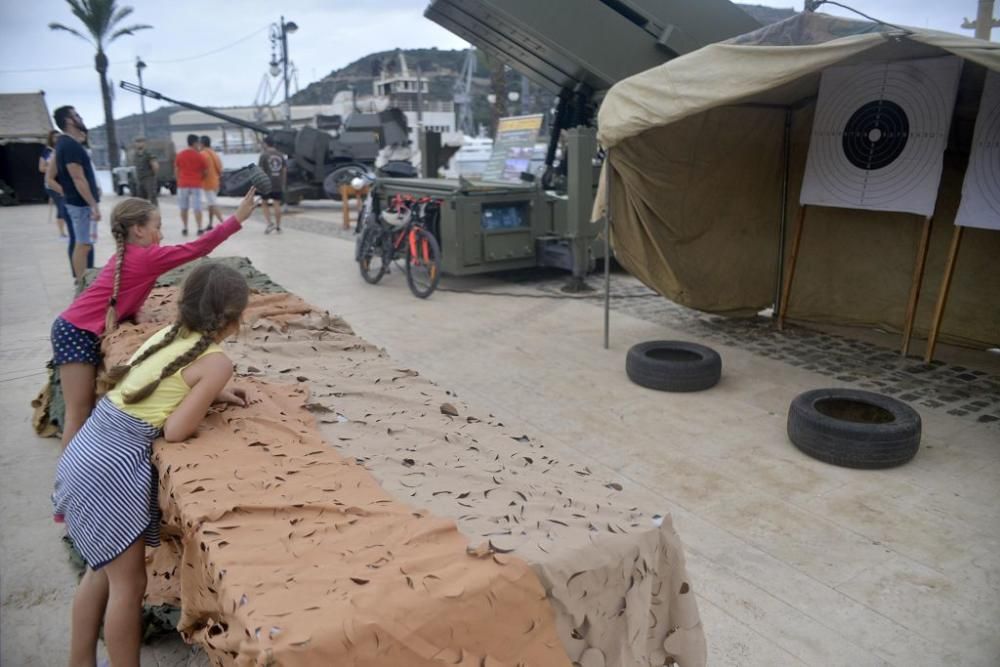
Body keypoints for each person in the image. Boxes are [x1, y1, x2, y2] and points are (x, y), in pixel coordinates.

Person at [53, 260, 250, 667]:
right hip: (112, 468)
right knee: (129, 586)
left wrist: (213, 393)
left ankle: (80, 661)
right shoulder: (217, 362)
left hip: (87, 450)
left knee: (100, 570)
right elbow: (176, 430)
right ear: (233, 319)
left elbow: (165, 386)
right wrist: (211, 388)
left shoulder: (167, 334)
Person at [50, 187, 258, 449]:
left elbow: (123, 294)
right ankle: (68, 471)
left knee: (84, 409)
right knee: (78, 412)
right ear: (138, 230)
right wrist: (236, 219)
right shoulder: (147, 257)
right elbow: (197, 248)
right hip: (75, 331)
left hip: (79, 328)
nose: (161, 234)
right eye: (156, 227)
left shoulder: (130, 255)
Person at [51, 106, 101, 280]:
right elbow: (78, 178)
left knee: (83, 244)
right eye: (76, 115)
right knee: (83, 245)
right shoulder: (70, 145)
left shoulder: (65, 143)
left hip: (76, 202)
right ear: (69, 120)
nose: (80, 118)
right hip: (80, 204)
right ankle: (81, 284)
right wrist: (93, 205)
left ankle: (82, 280)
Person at [175, 134, 207, 236]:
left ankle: (185, 227)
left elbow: (176, 169)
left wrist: (179, 179)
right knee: (197, 207)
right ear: (194, 143)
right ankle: (199, 228)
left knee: (183, 207)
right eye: (198, 143)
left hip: (183, 183)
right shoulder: (199, 155)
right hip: (196, 184)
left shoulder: (180, 155)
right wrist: (200, 178)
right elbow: (205, 171)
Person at [40, 130, 67, 238]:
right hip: (52, 183)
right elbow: (41, 168)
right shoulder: (46, 152)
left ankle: (67, 230)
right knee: (61, 206)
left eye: (59, 136)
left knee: (66, 205)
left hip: (65, 183)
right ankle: (62, 232)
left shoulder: (63, 150)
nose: (57, 138)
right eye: (55, 136)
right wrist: (54, 169)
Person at [258, 136, 286, 234]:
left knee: (264, 203)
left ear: (266, 144)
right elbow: (284, 169)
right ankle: (278, 226)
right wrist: (283, 182)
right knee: (277, 204)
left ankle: (270, 223)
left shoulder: (264, 155)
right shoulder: (280, 155)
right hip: (278, 183)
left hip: (266, 184)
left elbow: (260, 171)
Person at [199, 135, 224, 229]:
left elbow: (201, 170)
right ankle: (210, 223)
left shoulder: (202, 154)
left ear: (202, 144)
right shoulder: (214, 153)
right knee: (210, 204)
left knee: (213, 203)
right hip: (215, 182)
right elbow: (220, 168)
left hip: (207, 183)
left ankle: (224, 223)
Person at [132, 136, 159, 207]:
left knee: (152, 197)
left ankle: (155, 211)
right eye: (137, 142)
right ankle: (143, 213)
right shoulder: (136, 154)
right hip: (140, 178)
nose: (138, 144)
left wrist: (153, 176)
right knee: (140, 199)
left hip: (148, 178)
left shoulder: (148, 153)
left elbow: (155, 165)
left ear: (144, 143)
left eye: (140, 142)